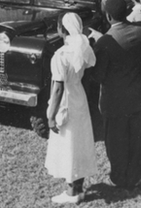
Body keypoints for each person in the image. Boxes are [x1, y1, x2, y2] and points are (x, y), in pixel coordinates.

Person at [91, 0, 141, 189]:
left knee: (115, 142)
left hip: (114, 101)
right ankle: (134, 177)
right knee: (136, 138)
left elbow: (99, 76)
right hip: (138, 95)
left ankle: (118, 177)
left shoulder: (105, 42)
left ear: (108, 16)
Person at [44, 13, 98, 204]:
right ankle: (78, 187)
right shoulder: (82, 49)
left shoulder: (61, 55)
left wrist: (51, 115)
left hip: (67, 98)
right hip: (78, 96)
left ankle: (71, 192)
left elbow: (58, 88)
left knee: (67, 143)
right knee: (79, 140)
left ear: (61, 29)